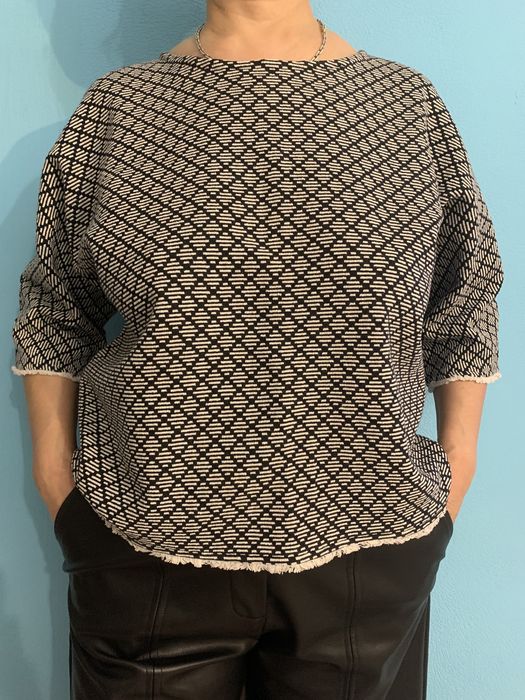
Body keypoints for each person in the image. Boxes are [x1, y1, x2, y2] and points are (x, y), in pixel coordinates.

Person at [10, 1, 504, 698]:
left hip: (368, 549)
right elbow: (57, 303)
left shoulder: (406, 107)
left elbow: (465, 290)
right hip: (140, 539)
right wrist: (55, 480)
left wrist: (458, 468)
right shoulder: (116, 111)